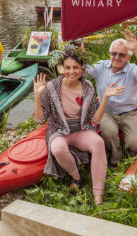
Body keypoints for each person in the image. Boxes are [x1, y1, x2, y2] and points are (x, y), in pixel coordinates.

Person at [33, 49, 125, 206]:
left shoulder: (87, 87)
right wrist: (37, 96)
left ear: (82, 68)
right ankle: (76, 177)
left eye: (75, 67)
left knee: (98, 142)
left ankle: (98, 195)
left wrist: (104, 99)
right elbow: (40, 119)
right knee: (58, 149)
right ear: (62, 68)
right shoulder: (51, 87)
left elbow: (94, 120)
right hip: (59, 130)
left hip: (80, 130)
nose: (71, 72)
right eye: (67, 67)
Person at [88, 30, 137, 166]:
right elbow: (80, 70)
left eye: (122, 55)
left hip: (130, 113)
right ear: (110, 54)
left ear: (129, 57)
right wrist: (75, 52)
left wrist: (136, 49)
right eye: (114, 53)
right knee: (109, 133)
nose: (117, 57)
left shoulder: (133, 70)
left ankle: (130, 158)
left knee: (134, 144)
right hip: (107, 112)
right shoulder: (101, 66)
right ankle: (116, 160)